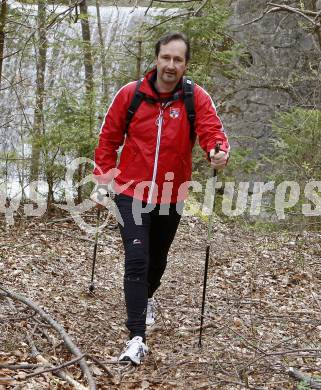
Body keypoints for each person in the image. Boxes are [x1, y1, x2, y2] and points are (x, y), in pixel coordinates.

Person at [92, 32, 230, 365]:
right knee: (137, 259)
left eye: (177, 59)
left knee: (158, 260)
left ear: (185, 64)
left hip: (172, 193)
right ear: (156, 59)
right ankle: (136, 337)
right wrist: (102, 180)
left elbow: (213, 132)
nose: (171, 65)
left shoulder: (195, 97)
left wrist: (218, 151)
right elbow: (108, 138)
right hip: (130, 191)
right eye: (166, 58)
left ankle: (146, 297)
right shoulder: (131, 95)